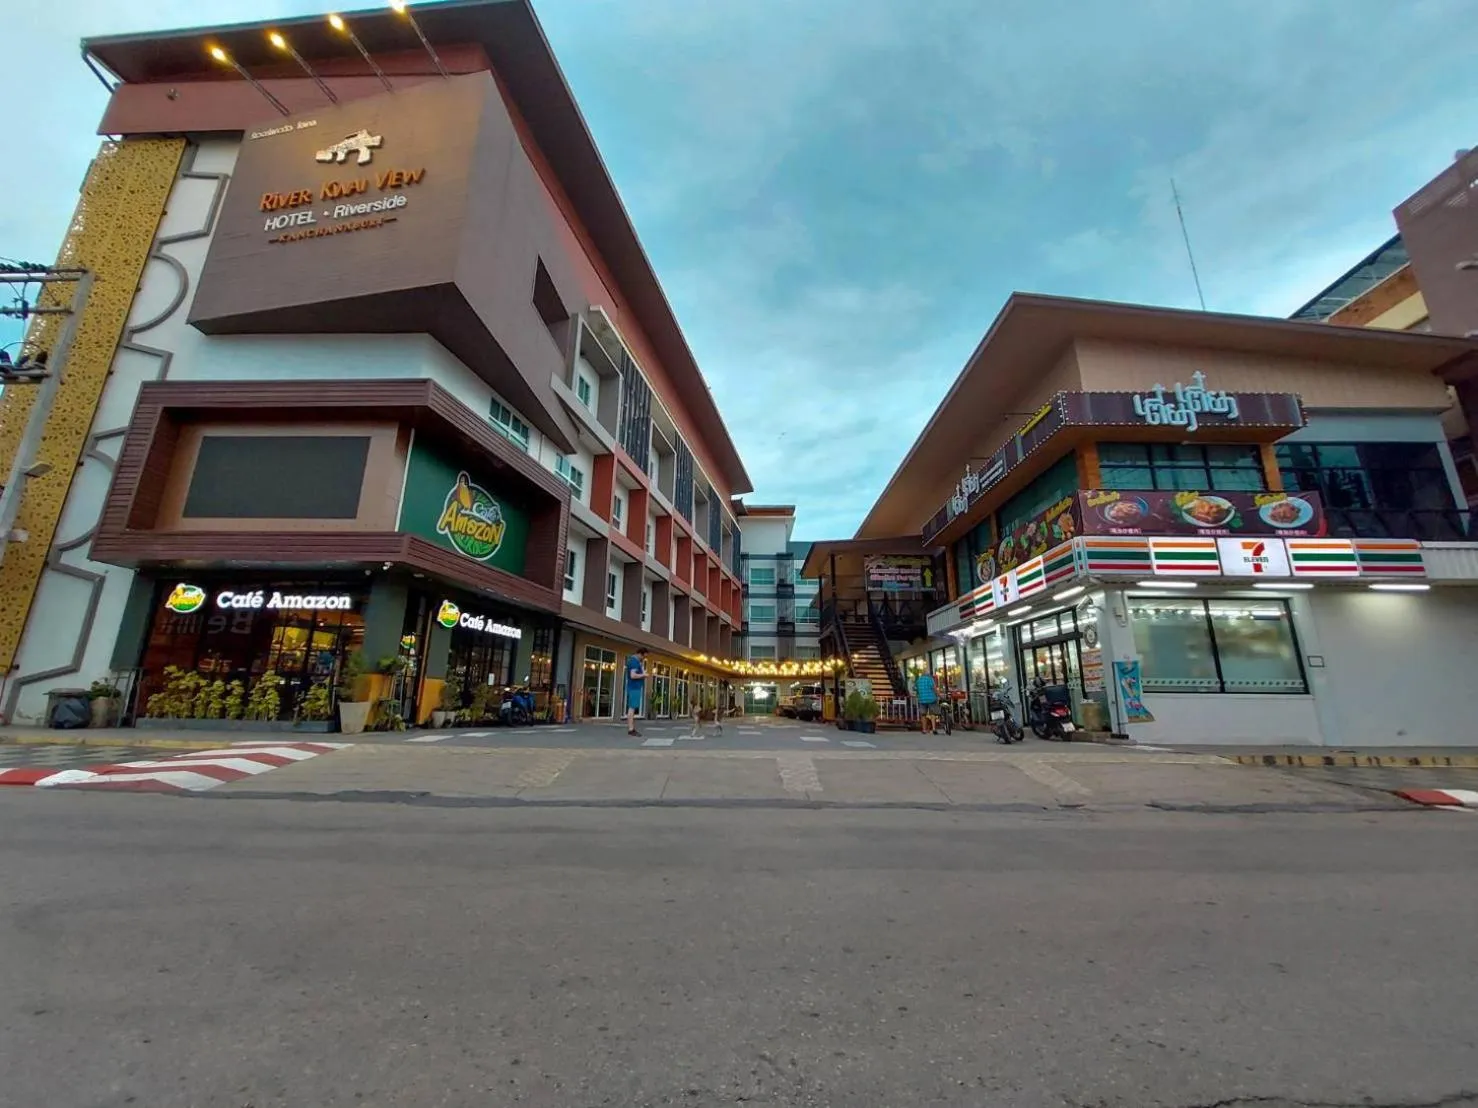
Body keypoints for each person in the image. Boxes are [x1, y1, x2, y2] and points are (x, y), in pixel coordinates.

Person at [624, 648, 648, 737]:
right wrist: (643, 675)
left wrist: (642, 671)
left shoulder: (636, 662)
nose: (644, 658)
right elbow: (632, 675)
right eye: (644, 656)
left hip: (635, 688)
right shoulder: (634, 661)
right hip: (634, 688)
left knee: (632, 708)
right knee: (632, 708)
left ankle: (631, 728)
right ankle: (631, 729)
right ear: (639, 654)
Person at [915, 669, 938, 734]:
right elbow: (934, 688)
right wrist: (938, 694)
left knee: (923, 714)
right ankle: (933, 729)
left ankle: (924, 730)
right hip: (931, 699)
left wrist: (919, 692)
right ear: (928, 674)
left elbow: (914, 688)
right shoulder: (930, 679)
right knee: (933, 714)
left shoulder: (919, 680)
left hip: (922, 699)